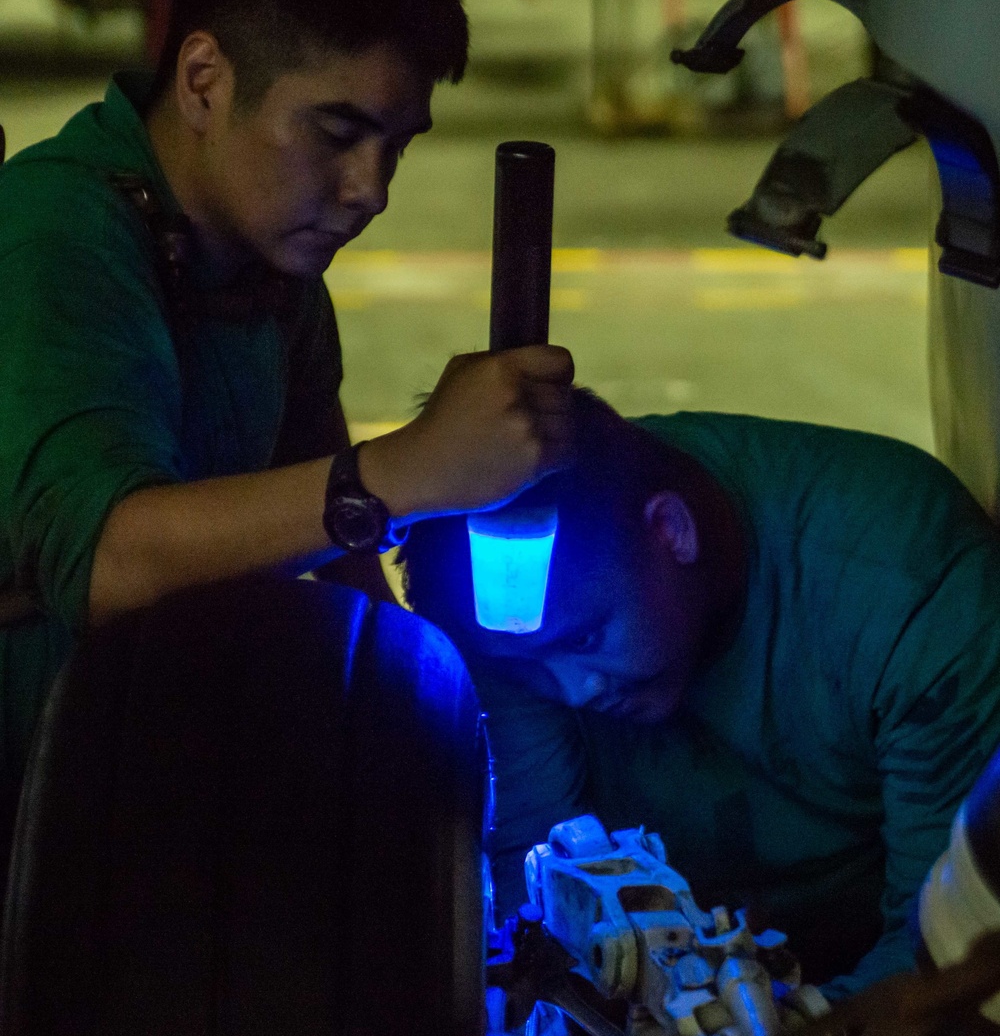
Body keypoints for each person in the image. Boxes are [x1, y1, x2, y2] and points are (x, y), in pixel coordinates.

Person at [0, 0, 573, 851]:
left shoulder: (275, 270)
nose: (370, 191)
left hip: (143, 797)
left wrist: (423, 724)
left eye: (395, 147)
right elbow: (109, 560)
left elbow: (339, 554)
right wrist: (402, 468)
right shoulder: (58, 230)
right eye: (337, 134)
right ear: (204, 81)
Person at [402, 391, 1000, 997]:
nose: (575, 691)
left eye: (586, 637)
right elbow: (535, 907)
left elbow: (949, 954)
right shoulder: (510, 610)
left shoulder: (910, 582)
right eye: (531, 668)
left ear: (671, 530)